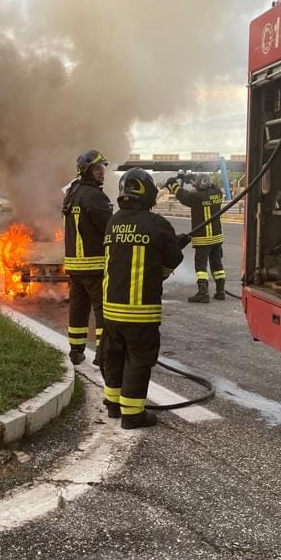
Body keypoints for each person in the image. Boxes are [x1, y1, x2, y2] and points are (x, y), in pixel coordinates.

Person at [102, 168, 190, 429]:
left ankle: (113, 405)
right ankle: (132, 415)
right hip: (140, 311)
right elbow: (173, 258)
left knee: (114, 356)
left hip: (111, 309)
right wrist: (163, 266)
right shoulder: (157, 224)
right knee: (139, 359)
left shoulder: (113, 222)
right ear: (147, 193)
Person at [62, 150, 113, 366]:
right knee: (102, 308)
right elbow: (108, 228)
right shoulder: (93, 196)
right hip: (94, 264)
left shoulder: (72, 192)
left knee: (78, 307)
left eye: (103, 167)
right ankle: (102, 353)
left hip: (75, 265)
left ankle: (76, 350)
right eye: (97, 168)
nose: (102, 172)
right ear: (86, 170)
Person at [165, 172, 225, 302]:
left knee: (201, 266)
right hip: (217, 238)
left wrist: (173, 184)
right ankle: (221, 291)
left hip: (203, 238)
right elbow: (209, 187)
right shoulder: (218, 193)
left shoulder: (196, 197)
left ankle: (203, 293)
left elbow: (182, 195)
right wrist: (192, 180)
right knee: (217, 264)